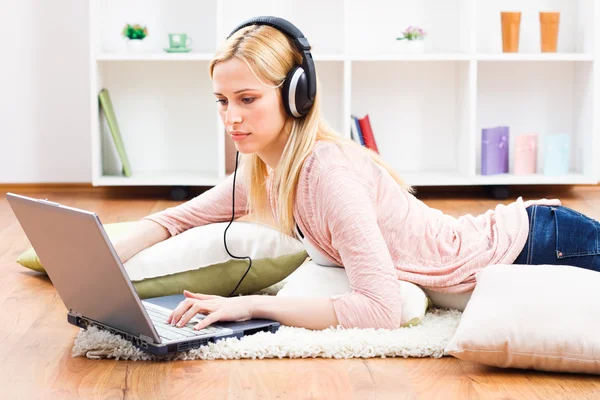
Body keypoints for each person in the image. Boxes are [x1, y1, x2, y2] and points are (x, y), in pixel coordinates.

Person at [112, 17, 600, 332]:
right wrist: (106, 258)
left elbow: (380, 309)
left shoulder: (327, 174)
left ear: (296, 95)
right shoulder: (267, 171)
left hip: (540, 245)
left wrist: (250, 306)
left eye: (247, 99)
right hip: (532, 242)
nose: (231, 118)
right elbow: (175, 220)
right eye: (222, 101)